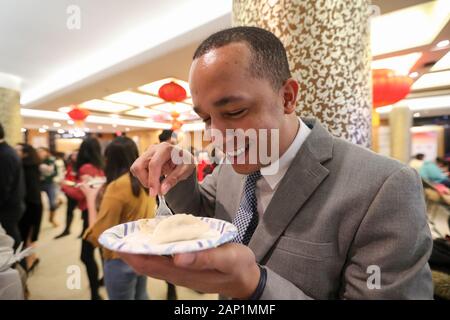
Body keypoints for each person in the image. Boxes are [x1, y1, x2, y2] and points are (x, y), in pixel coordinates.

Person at [125, 27, 433, 299]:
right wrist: (180, 178)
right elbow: (206, 215)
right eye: (206, 119)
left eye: (233, 112)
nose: (215, 137)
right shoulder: (233, 167)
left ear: (287, 97)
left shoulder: (384, 187)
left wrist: (257, 287)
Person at [81, 137, 156, 300]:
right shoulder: (145, 180)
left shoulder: (117, 186)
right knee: (141, 295)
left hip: (119, 257)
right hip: (142, 252)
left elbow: (99, 234)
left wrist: (90, 197)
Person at [64, 137, 104, 300]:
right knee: (102, 251)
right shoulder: (100, 166)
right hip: (101, 211)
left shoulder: (86, 167)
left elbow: (81, 193)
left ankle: (95, 293)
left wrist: (64, 185)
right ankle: (103, 281)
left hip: (90, 213)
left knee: (86, 255)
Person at [156, 129, 178, 300]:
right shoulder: (156, 158)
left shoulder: (180, 156)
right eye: (174, 140)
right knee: (167, 247)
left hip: (180, 205)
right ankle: (171, 285)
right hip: (164, 205)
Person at [15, 143, 43, 272]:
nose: (14, 151)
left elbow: (28, 191)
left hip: (30, 206)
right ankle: (32, 258)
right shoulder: (33, 166)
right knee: (29, 237)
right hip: (34, 204)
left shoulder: (26, 167)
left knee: (26, 237)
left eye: (17, 150)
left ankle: (30, 261)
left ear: (25, 153)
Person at [0, 123, 25, 249]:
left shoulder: (5, 155)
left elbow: (3, 186)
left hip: (9, 207)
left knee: (11, 240)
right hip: (12, 204)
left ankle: (21, 265)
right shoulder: (6, 151)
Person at [55, 151, 78, 239]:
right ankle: (67, 229)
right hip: (70, 191)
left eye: (76, 154)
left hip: (79, 191)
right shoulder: (69, 165)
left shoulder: (83, 166)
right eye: (73, 154)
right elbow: (68, 176)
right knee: (69, 211)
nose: (74, 156)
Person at [37, 147, 59, 227]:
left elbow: (56, 173)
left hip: (49, 184)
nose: (40, 153)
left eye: (42, 151)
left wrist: (48, 175)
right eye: (38, 151)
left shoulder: (51, 161)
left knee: (52, 203)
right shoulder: (35, 160)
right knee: (37, 203)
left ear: (46, 152)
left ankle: (52, 219)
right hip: (38, 184)